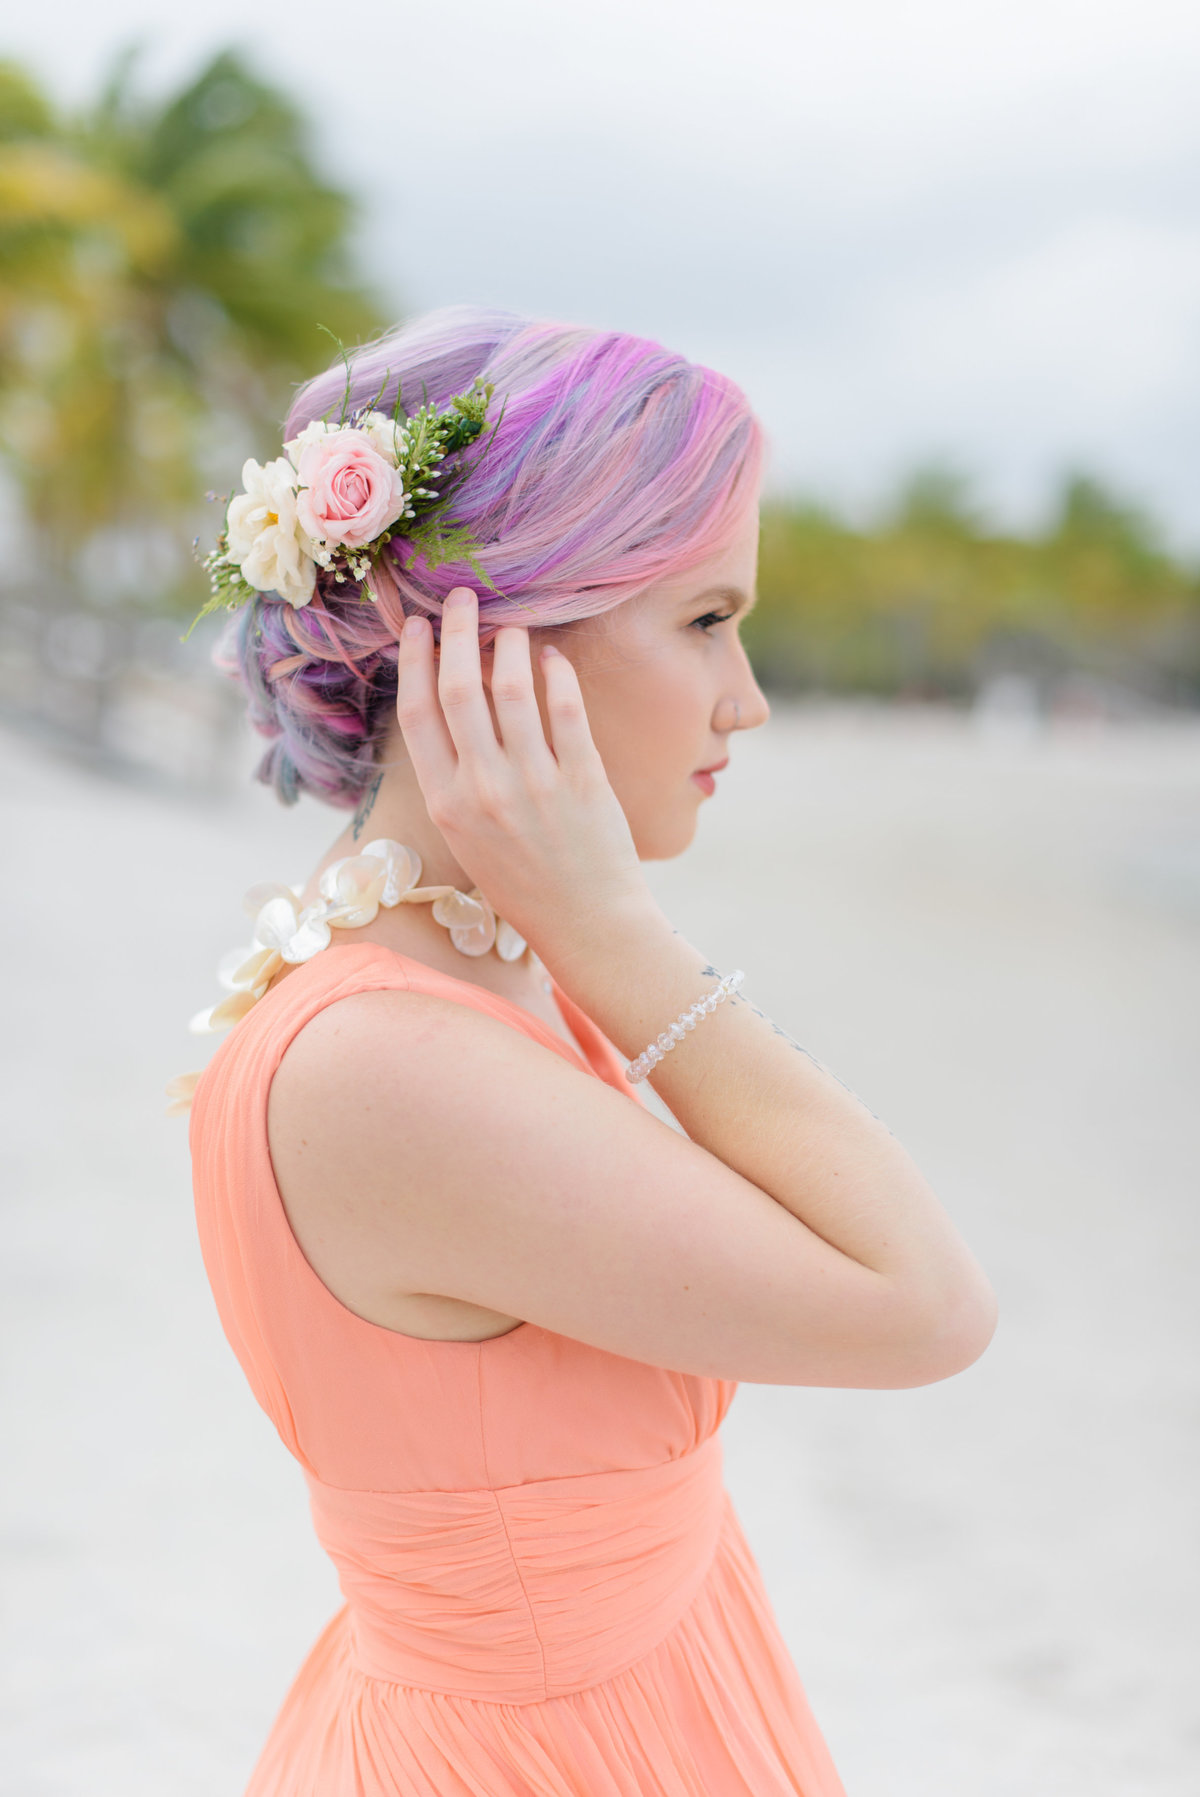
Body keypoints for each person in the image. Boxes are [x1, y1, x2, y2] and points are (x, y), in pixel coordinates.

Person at [182, 306, 997, 1796]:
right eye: (704, 620)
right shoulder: (393, 1061)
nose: (745, 697)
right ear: (493, 641)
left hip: (645, 1696)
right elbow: (927, 1306)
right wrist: (618, 933)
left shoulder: (464, 960)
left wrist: (577, 929)